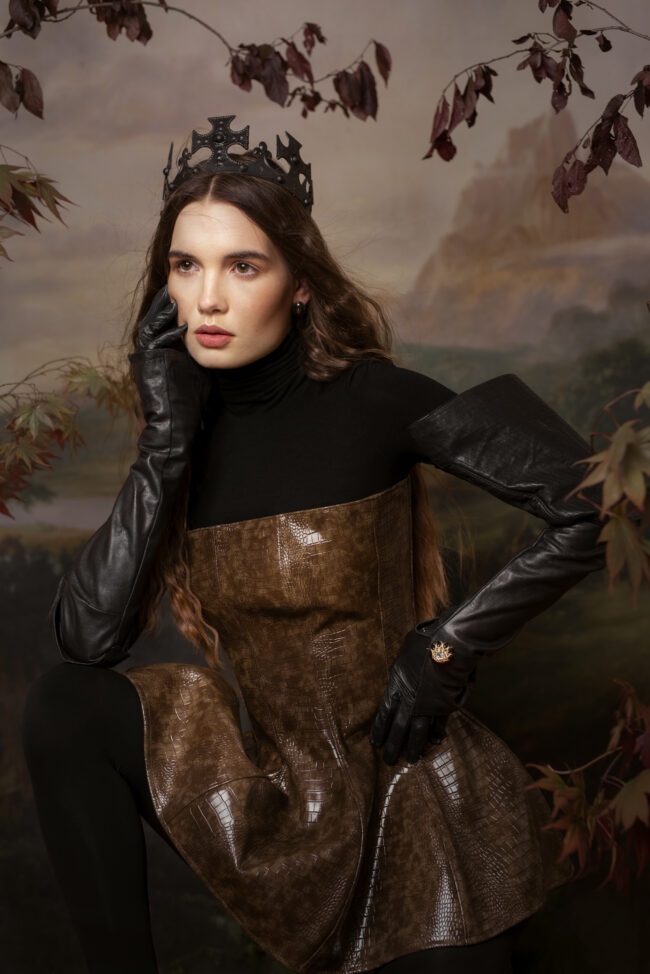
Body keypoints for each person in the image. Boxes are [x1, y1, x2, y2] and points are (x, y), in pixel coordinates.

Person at [21, 114, 606, 974]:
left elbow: (592, 502)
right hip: (280, 803)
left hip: (414, 806)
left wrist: (447, 646)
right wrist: (166, 443)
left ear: (299, 283)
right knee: (64, 707)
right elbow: (87, 641)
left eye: (242, 266)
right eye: (185, 266)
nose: (207, 299)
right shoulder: (183, 432)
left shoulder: (371, 399)